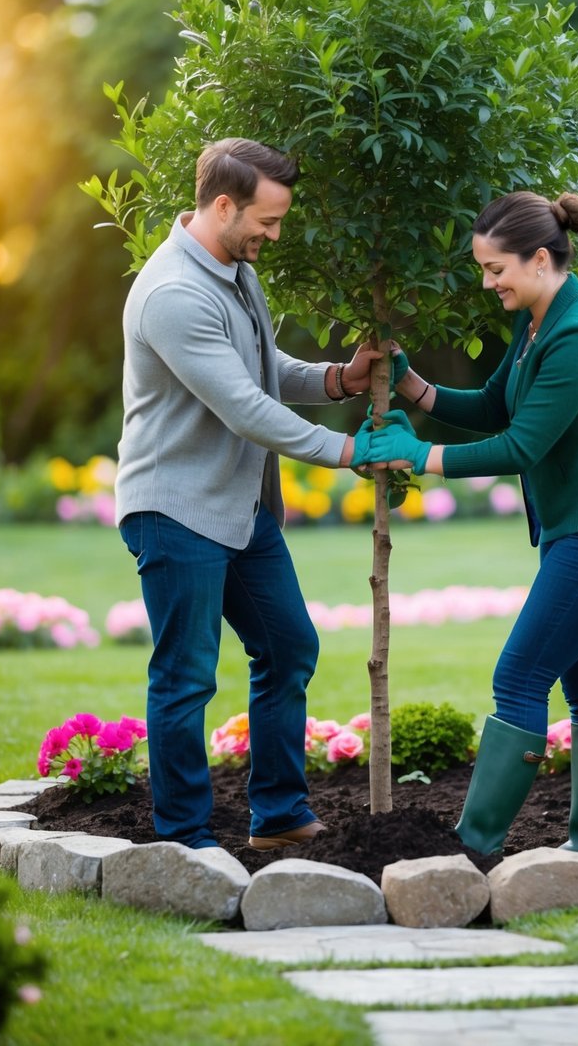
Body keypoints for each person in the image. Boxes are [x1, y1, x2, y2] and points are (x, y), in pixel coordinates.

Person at [364, 189, 578, 857]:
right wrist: (413, 386)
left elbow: (520, 445)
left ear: (538, 259)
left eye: (494, 269)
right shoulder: (535, 321)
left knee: (519, 676)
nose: (487, 283)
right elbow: (498, 406)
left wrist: (417, 454)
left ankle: (472, 851)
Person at [116, 137, 375, 851]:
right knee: (186, 676)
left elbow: (261, 368)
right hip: (175, 510)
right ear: (223, 204)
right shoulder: (173, 293)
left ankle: (280, 816)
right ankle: (185, 841)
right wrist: (349, 451)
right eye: (267, 219)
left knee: (289, 648)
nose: (275, 234)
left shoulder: (233, 269)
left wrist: (338, 380)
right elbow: (244, 406)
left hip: (238, 507)